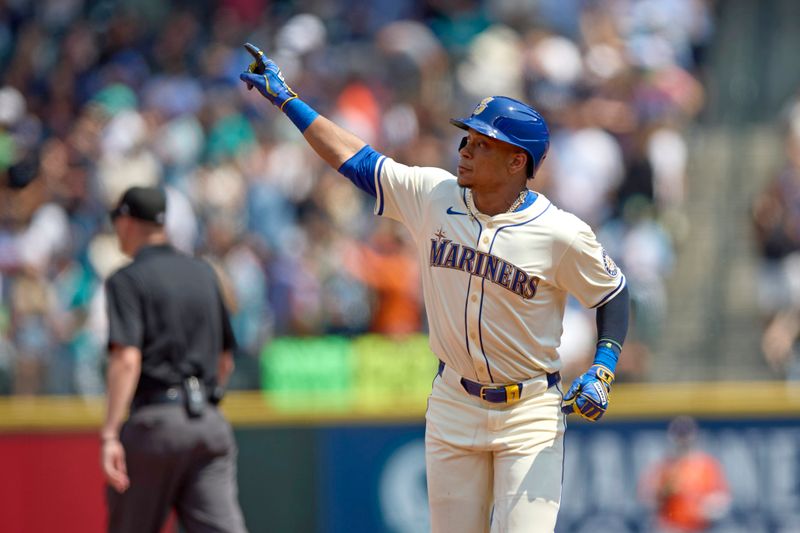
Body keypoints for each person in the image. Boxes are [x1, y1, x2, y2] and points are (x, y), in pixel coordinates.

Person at [240, 43, 630, 532]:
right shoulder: (434, 195)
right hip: (453, 403)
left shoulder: (560, 233)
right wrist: (287, 101)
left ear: (517, 162)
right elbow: (355, 160)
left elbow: (612, 293)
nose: (465, 149)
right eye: (467, 138)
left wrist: (603, 367)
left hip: (529, 412)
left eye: (482, 143)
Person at [99, 186, 247, 533]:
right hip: (208, 424)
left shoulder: (127, 279)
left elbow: (127, 359)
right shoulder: (205, 273)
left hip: (156, 425)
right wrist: (204, 406)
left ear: (126, 222)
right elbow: (225, 361)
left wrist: (109, 434)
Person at [638, 416, 731, 532]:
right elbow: (647, 500)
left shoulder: (707, 466)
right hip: (670, 528)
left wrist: (706, 507)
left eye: (685, 435)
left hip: (699, 528)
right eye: (679, 435)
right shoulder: (663, 466)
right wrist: (663, 493)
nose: (682, 440)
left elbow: (721, 501)